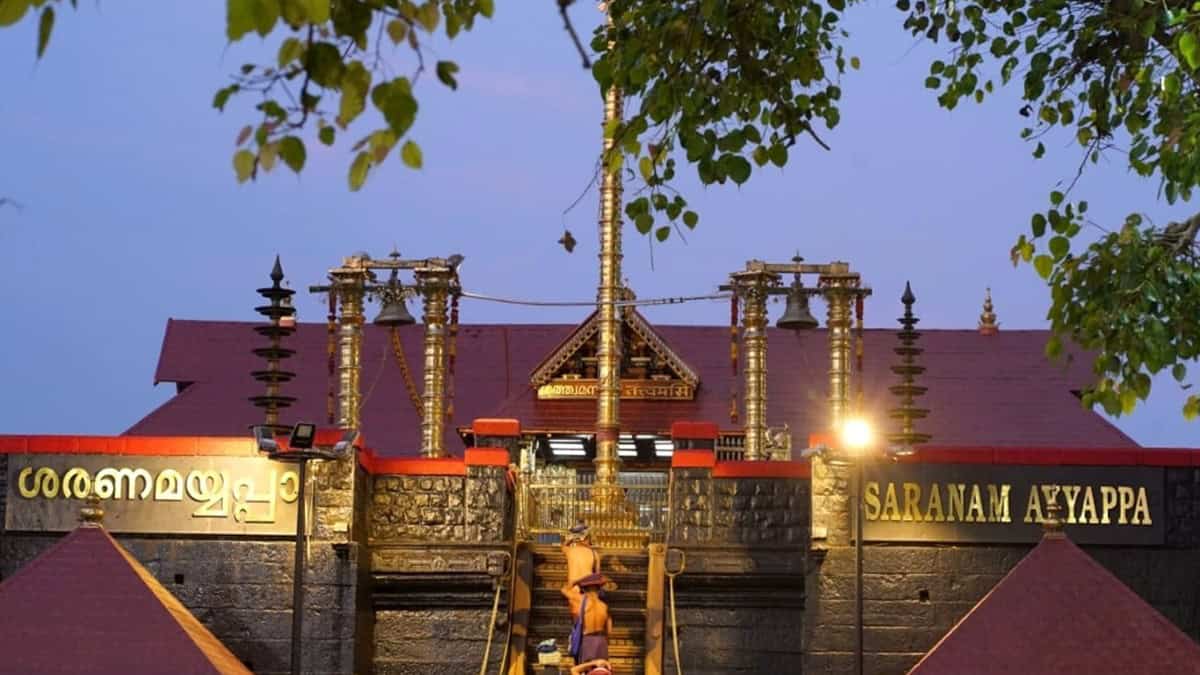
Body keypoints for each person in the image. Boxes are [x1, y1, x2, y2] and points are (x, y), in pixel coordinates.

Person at [569, 573, 612, 667]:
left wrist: (576, 582)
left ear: (584, 589)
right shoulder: (604, 606)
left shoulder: (579, 602)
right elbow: (609, 630)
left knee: (585, 669)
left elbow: (565, 590)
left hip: (587, 641)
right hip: (601, 641)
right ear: (598, 588)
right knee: (601, 670)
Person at [561, 521, 600, 617]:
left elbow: (563, 545)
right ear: (587, 538)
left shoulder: (570, 551)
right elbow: (598, 577)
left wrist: (571, 538)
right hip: (588, 590)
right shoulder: (595, 554)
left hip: (573, 589)